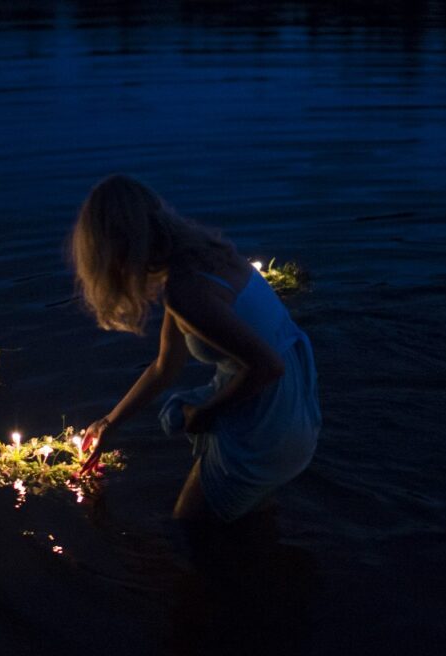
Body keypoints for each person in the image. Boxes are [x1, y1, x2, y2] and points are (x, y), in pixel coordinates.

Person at [72, 175, 321, 523]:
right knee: (251, 523)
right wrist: (108, 425)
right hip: (290, 410)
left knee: (189, 529)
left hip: (266, 423)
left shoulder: (187, 290)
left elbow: (268, 366)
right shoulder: (206, 256)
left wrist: (206, 412)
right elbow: (164, 367)